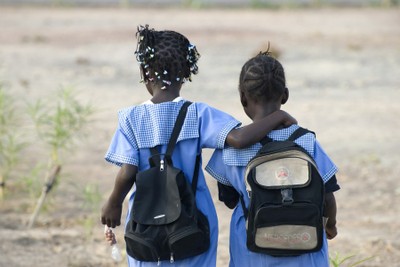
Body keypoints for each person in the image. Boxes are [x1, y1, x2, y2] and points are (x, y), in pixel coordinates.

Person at [100, 25, 297, 267]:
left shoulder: (130, 119)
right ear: (185, 73)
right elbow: (239, 139)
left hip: (144, 225)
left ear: (144, 71)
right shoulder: (198, 114)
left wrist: (114, 203)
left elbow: (128, 171)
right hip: (193, 222)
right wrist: (278, 117)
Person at [205, 51, 340, 267]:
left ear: (242, 98)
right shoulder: (306, 141)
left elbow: (229, 200)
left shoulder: (229, 150)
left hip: (251, 253)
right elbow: (327, 196)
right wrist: (330, 224)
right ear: (284, 96)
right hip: (304, 248)